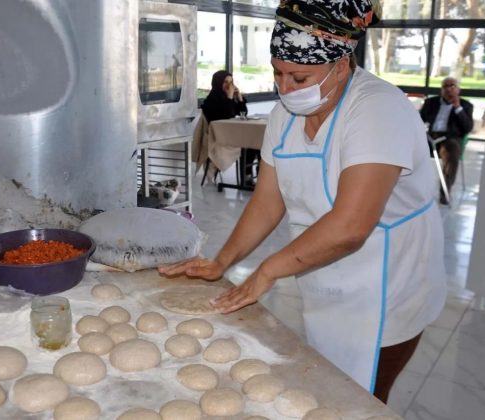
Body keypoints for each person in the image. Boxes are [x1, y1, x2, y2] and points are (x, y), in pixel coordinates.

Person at [160, 0, 446, 404]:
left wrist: (268, 270)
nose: (285, 88)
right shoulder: (284, 116)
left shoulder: (378, 109)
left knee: (362, 400)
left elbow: (350, 227)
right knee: (330, 383)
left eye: (298, 76)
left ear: (341, 65)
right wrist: (222, 261)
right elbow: (267, 201)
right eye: (278, 74)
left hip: (388, 279)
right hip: (321, 268)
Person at [420, 77, 474, 204]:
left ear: (458, 89)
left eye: (452, 86)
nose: (449, 89)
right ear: (441, 89)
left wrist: (458, 108)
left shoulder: (466, 105)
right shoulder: (431, 103)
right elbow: (419, 119)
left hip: (448, 138)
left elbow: (467, 128)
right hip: (429, 136)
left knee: (452, 151)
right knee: (406, 145)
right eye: (445, 86)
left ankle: (444, 191)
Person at [201, 71, 258, 185]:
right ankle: (246, 178)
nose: (229, 85)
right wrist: (230, 98)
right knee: (250, 144)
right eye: (225, 82)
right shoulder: (211, 101)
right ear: (218, 83)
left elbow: (243, 113)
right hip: (219, 138)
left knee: (255, 143)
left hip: (230, 135)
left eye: (231, 82)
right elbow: (227, 116)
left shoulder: (227, 97)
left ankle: (253, 177)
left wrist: (239, 98)